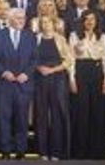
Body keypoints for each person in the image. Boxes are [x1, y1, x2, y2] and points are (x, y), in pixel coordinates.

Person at [0, 7, 35, 159]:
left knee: (22, 119)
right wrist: (3, 72)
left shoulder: (31, 36)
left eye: (23, 18)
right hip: (4, 84)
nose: (21, 21)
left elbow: (35, 59)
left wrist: (26, 74)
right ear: (9, 19)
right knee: (4, 118)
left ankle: (21, 150)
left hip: (23, 85)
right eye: (17, 18)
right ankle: (5, 151)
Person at [69, 10, 105, 159]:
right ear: (82, 21)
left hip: (97, 74)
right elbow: (71, 59)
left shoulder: (103, 36)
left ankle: (97, 151)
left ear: (96, 21)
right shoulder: (74, 36)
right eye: (86, 19)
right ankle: (80, 151)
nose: (89, 22)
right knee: (81, 111)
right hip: (81, 73)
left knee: (97, 112)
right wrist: (72, 79)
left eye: (92, 19)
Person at [33, 15, 73, 161]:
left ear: (53, 23)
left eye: (48, 22)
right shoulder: (35, 38)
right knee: (41, 115)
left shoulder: (60, 39)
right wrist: (38, 67)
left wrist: (53, 69)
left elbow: (69, 60)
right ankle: (43, 151)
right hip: (40, 79)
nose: (45, 25)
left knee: (57, 115)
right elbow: (31, 58)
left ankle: (56, 151)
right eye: (42, 22)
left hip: (57, 79)